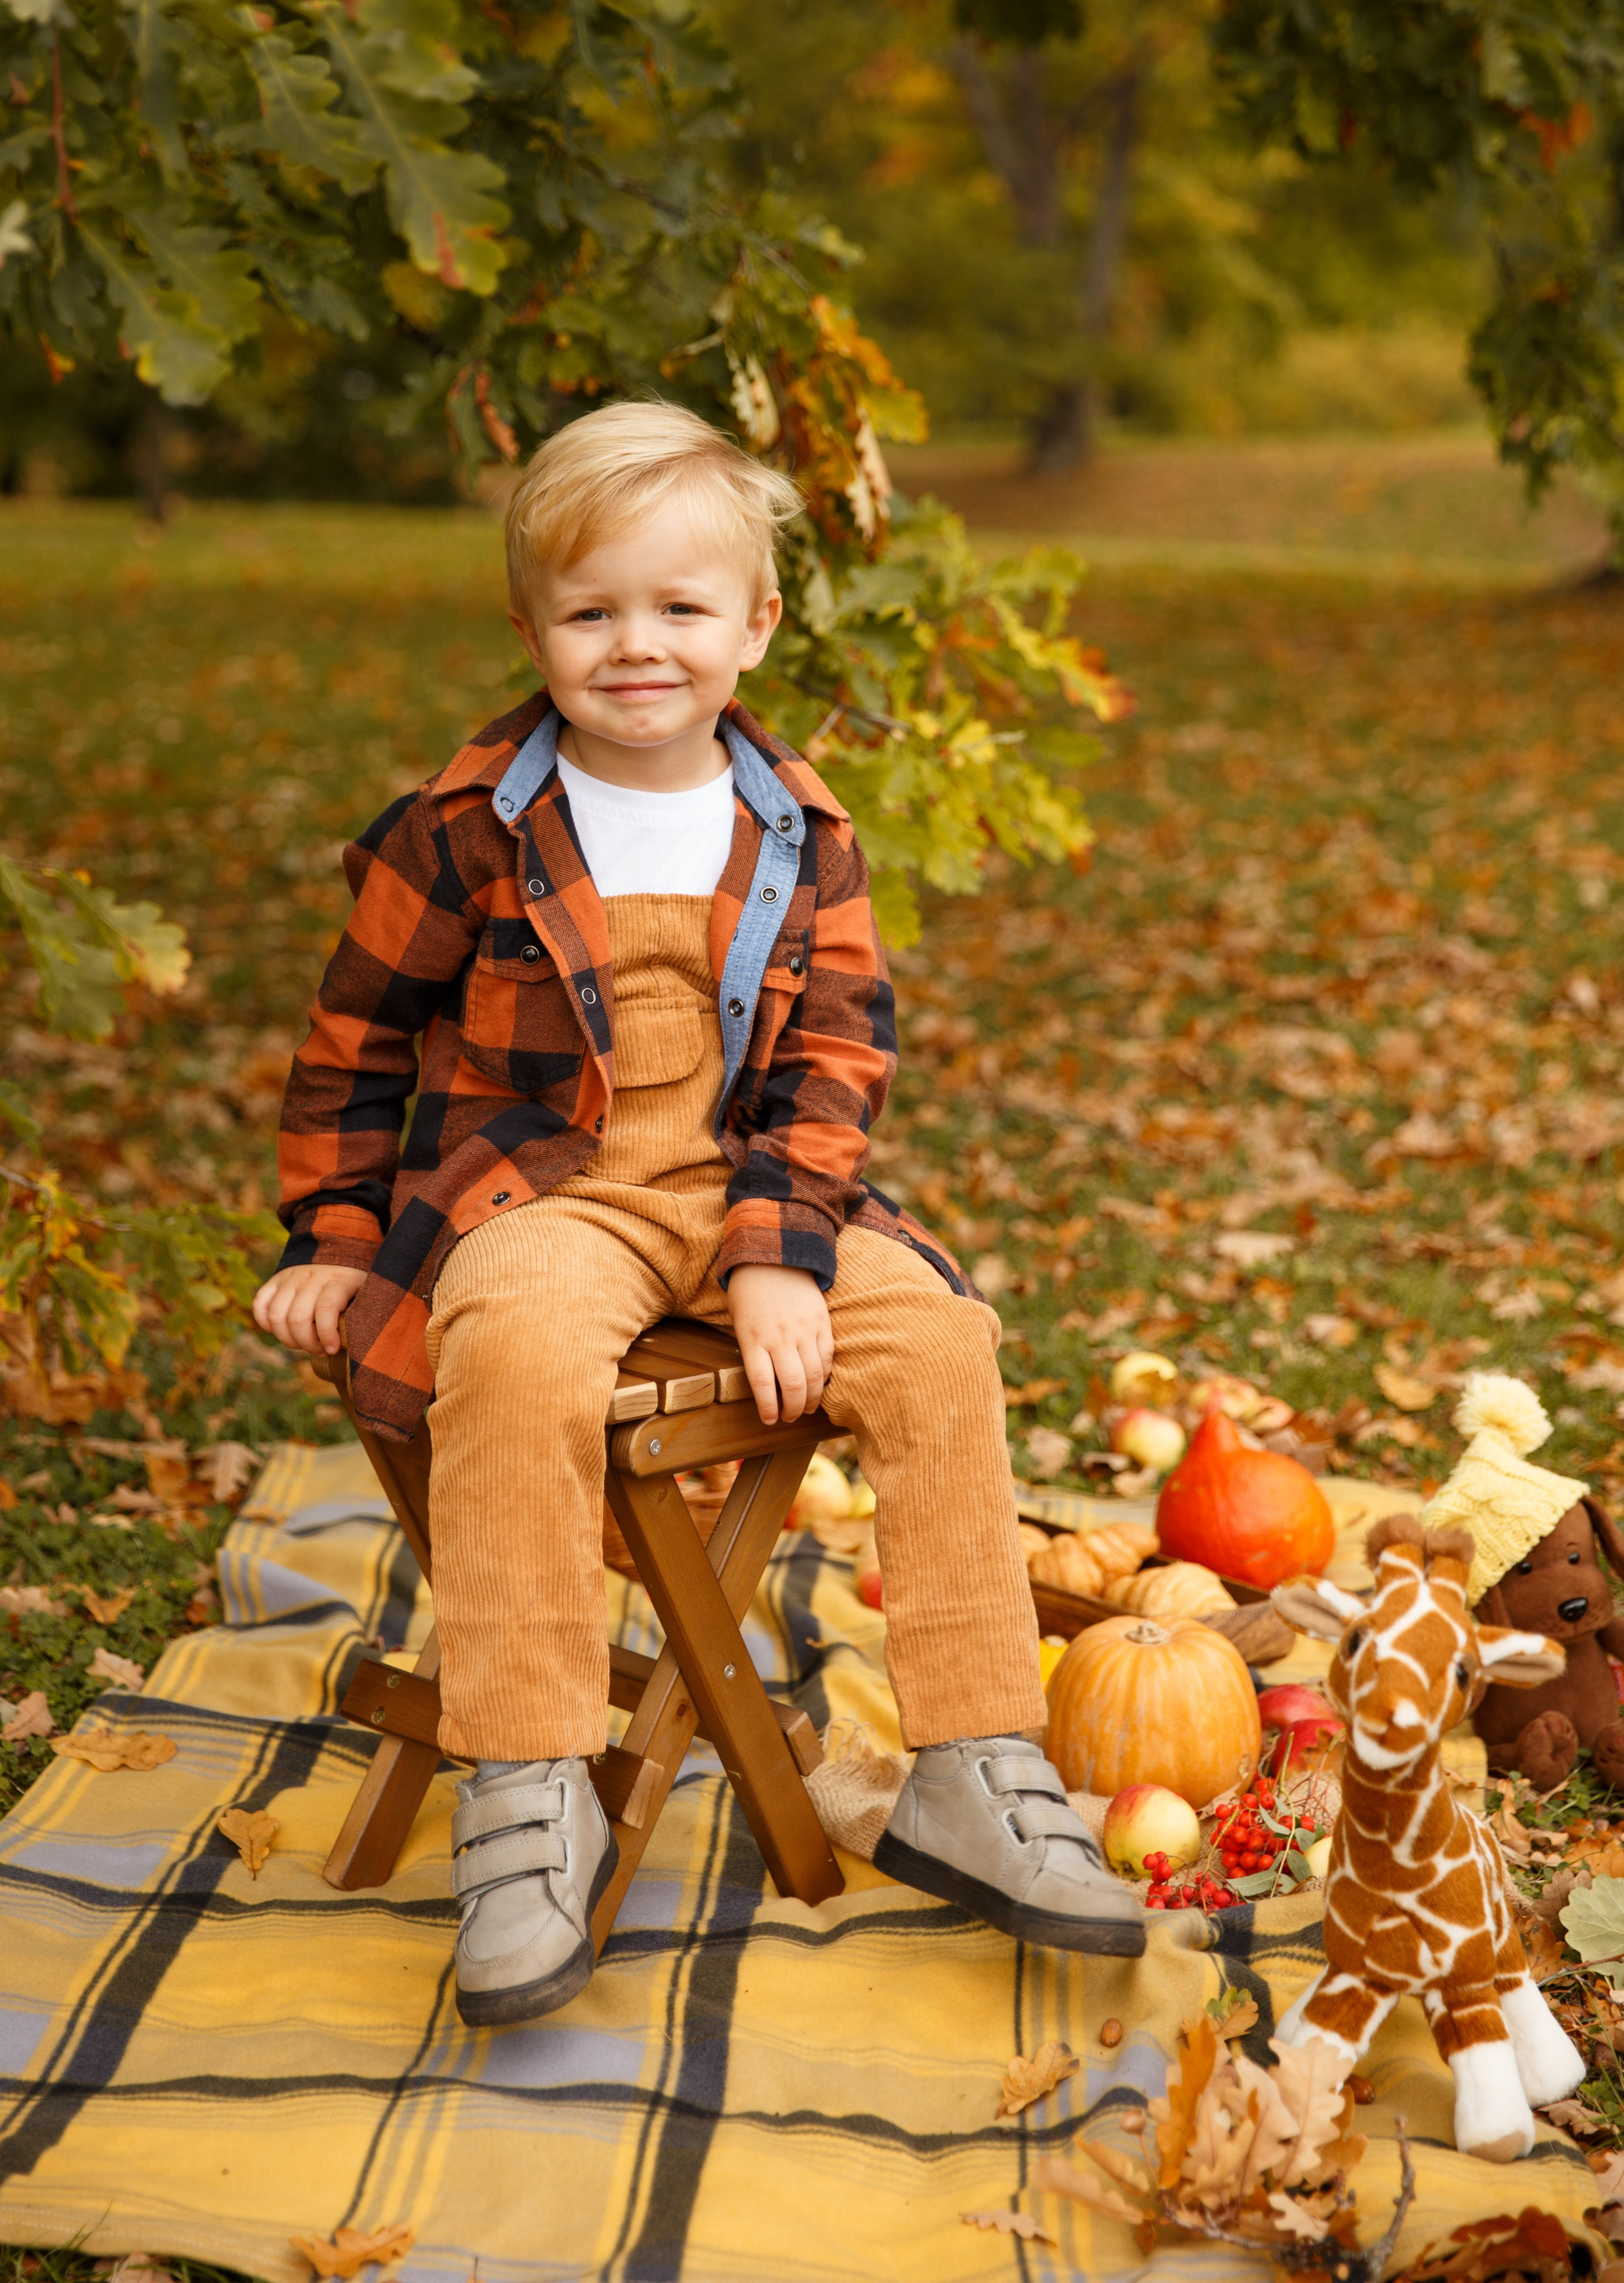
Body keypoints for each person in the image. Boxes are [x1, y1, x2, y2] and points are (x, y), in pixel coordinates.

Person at [253, 401, 1145, 2025]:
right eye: (591, 612)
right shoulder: (463, 829)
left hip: (755, 1185)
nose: (637, 645)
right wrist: (327, 1241)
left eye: (678, 608)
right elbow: (350, 1042)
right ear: (531, 628)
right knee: (515, 1353)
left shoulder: (803, 830)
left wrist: (779, 1259)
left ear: (755, 626)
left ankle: (972, 1760)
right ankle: (527, 1787)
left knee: (939, 1340)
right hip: (549, 1193)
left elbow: (833, 1057)